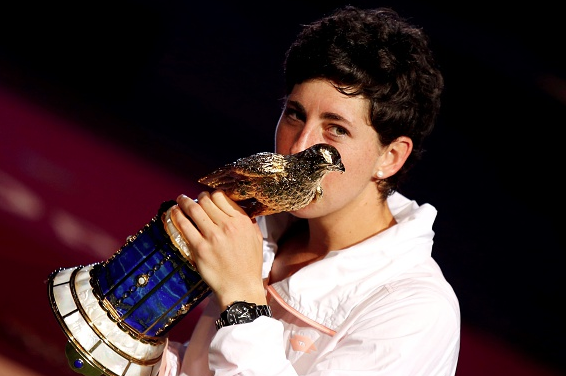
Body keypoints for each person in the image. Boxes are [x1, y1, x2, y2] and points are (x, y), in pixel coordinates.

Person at [162, 5, 460, 375]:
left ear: (391, 157)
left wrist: (242, 298)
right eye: (295, 114)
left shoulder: (415, 311)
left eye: (336, 129)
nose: (300, 145)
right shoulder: (262, 227)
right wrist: (129, 349)